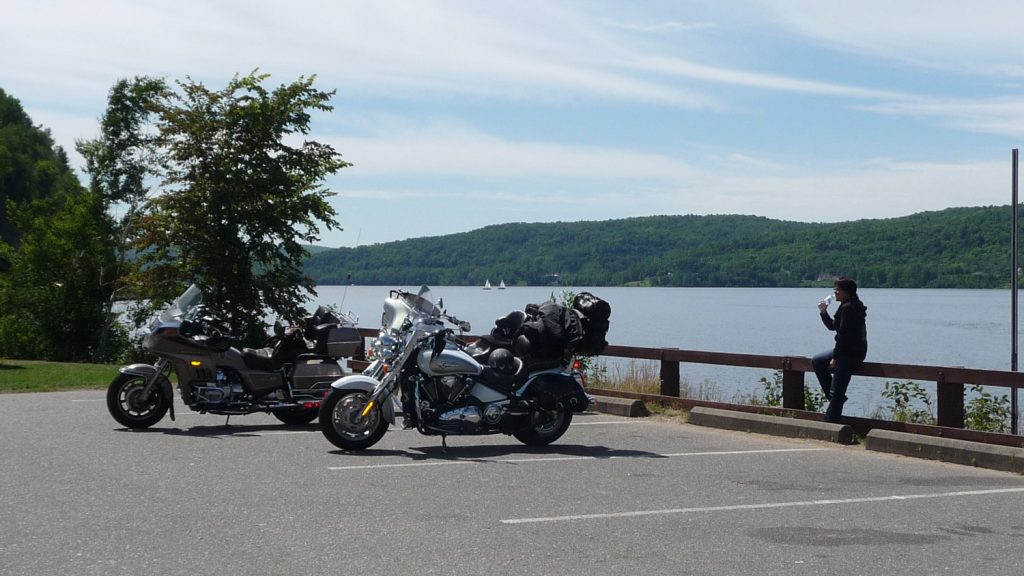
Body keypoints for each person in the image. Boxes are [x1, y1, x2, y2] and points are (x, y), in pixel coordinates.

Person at [811, 276, 868, 423]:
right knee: (817, 361)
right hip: (845, 349)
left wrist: (835, 358)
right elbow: (833, 327)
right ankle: (837, 399)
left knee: (837, 388)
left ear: (846, 292)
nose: (834, 293)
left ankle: (831, 420)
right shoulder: (845, 305)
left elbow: (844, 336)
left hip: (852, 352)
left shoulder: (850, 307)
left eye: (837, 290)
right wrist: (824, 312)